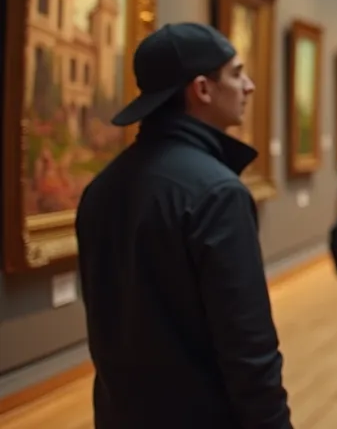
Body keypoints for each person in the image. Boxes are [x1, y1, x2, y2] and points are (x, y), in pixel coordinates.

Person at [75, 22, 292, 428]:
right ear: (202, 89)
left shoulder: (100, 188)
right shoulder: (217, 193)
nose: (249, 86)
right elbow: (249, 349)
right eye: (236, 73)